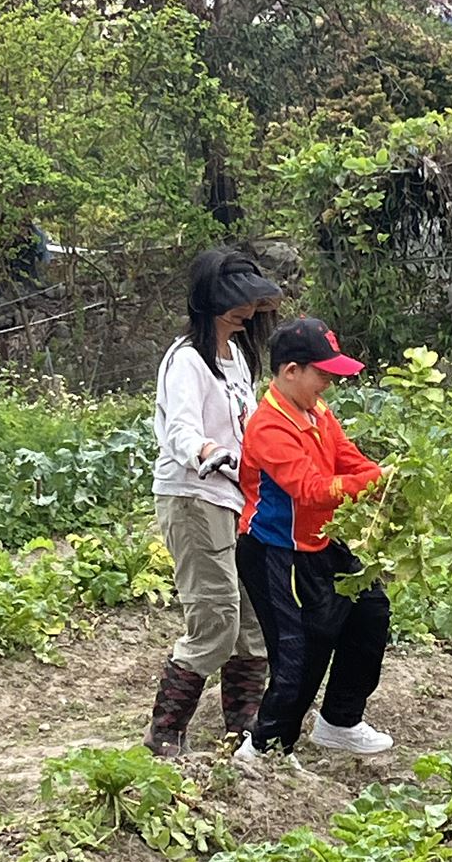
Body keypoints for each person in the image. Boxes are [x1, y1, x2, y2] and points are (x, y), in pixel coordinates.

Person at [232, 317, 394, 768]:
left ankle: (339, 722)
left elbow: (347, 459)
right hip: (275, 552)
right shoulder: (268, 426)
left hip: (320, 541)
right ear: (291, 371)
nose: (329, 383)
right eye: (322, 374)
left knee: (369, 611)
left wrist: (382, 477)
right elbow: (311, 489)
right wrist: (372, 482)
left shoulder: (317, 411)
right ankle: (264, 748)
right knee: (299, 649)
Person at [144, 248, 282, 758]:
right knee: (216, 617)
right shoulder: (187, 360)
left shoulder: (238, 358)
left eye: (251, 304)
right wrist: (207, 451)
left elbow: (249, 425)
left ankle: (244, 729)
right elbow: (180, 429)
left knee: (252, 618)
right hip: (194, 496)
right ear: (209, 302)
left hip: (237, 498)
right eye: (235, 304)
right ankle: (165, 732)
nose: (245, 312)